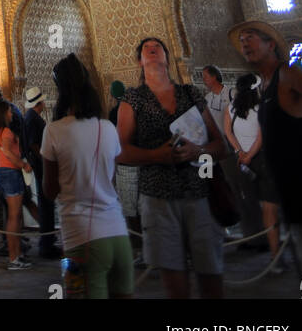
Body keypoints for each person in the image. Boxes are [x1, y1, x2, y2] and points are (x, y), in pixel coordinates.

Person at [116, 36, 225, 300]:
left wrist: (197, 151)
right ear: (140, 61)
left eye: (157, 47)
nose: (152, 49)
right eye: (145, 48)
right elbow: (120, 152)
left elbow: (220, 146)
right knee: (175, 283)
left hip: (200, 194)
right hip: (158, 198)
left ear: (166, 55)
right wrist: (157, 155)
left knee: (211, 276)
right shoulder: (133, 99)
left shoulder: (190, 93)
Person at [229, 19, 302, 276]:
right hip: (293, 193)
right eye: (242, 40)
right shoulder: (267, 84)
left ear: (271, 45)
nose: (245, 43)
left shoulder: (286, 74)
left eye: (251, 37)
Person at [42, 54, 134, 299]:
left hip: (80, 239)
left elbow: (49, 191)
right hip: (119, 236)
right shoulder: (108, 128)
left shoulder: (53, 131)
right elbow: (109, 180)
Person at [223, 73, 283, 270]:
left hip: (242, 162)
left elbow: (228, 132)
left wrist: (241, 152)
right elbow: (262, 135)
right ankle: (275, 254)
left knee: (249, 202)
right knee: (269, 208)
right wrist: (250, 154)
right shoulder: (260, 108)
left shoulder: (230, 108)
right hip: (262, 160)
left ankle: (257, 239)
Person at [0, 98, 33, 270]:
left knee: (14, 216)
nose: (11, 113)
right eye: (8, 111)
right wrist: (23, 164)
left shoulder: (0, 131)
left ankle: (16, 254)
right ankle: (14, 257)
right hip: (9, 172)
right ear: (3, 113)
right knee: (14, 216)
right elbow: (7, 151)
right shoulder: (6, 132)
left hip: (3, 172)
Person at [23, 84, 61, 257]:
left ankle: (48, 241)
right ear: (40, 103)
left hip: (40, 165)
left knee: (46, 203)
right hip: (41, 167)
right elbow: (33, 144)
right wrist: (44, 158)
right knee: (46, 203)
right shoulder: (33, 119)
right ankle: (46, 245)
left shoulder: (30, 116)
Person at [202, 65, 232, 142]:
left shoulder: (231, 93)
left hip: (232, 138)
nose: (203, 80)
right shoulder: (207, 98)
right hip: (216, 140)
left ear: (214, 77)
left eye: (205, 76)